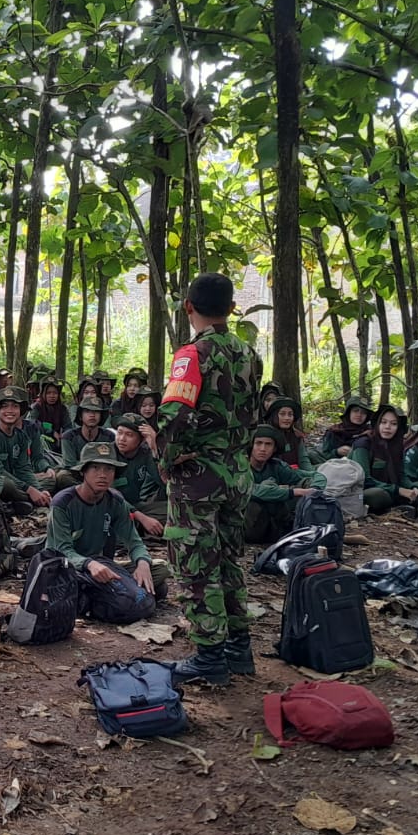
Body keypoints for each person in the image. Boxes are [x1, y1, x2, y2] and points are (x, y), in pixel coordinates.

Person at [154, 273, 262, 686]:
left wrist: (165, 458)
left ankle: (210, 655)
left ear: (188, 307)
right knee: (229, 559)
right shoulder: (249, 354)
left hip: (198, 478)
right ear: (232, 309)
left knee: (197, 565)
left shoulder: (192, 354)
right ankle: (239, 648)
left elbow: (175, 413)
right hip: (236, 474)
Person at [46, 442, 156, 616]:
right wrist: (88, 563)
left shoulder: (115, 500)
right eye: (95, 468)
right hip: (71, 567)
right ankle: (95, 601)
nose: (103, 475)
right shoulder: (63, 503)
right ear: (83, 472)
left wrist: (142, 563)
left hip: (104, 565)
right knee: (140, 596)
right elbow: (61, 550)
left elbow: (134, 541)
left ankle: (103, 596)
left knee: (158, 575)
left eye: (109, 470)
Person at [0, 387, 54, 509]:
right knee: (5, 483)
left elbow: (23, 468)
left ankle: (22, 501)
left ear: (20, 411)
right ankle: (21, 501)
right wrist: (29, 489)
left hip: (13, 478)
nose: (10, 411)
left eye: (15, 406)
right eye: (4, 406)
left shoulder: (21, 435)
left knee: (50, 480)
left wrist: (39, 489)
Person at [246, 426, 322, 542]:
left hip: (275, 527)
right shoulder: (240, 468)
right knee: (265, 492)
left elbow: (315, 476)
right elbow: (252, 490)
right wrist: (293, 492)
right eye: (258, 443)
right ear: (251, 446)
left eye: (268, 444)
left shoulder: (276, 466)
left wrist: (314, 489)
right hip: (247, 527)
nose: (262, 449)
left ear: (274, 448)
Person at [351, 405, 418, 515]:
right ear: (377, 424)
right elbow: (363, 479)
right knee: (378, 495)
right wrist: (398, 490)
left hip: (389, 488)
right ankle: (394, 507)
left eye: (393, 424)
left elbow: (401, 475)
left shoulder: (396, 445)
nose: (387, 427)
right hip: (362, 490)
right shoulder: (364, 443)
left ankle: (402, 505)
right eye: (383, 422)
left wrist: (412, 488)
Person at [110, 413, 167, 534]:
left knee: (177, 513)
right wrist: (142, 518)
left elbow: (165, 482)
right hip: (110, 507)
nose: (122, 439)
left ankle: (135, 527)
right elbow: (108, 494)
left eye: (129, 435)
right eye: (119, 433)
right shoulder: (107, 453)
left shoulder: (145, 453)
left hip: (135, 506)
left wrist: (155, 448)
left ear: (141, 440)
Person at [59, 396, 111, 474]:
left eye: (96, 411)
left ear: (101, 416)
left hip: (102, 475)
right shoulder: (68, 437)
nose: (92, 415)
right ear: (80, 416)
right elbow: (69, 464)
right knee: (63, 475)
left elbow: (111, 462)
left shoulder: (109, 437)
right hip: (76, 474)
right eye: (87, 411)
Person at [261, 397, 313, 471]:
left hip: (297, 474)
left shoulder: (296, 436)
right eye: (282, 414)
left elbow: (304, 461)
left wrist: (312, 475)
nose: (287, 418)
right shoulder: (264, 436)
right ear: (274, 415)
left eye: (290, 414)